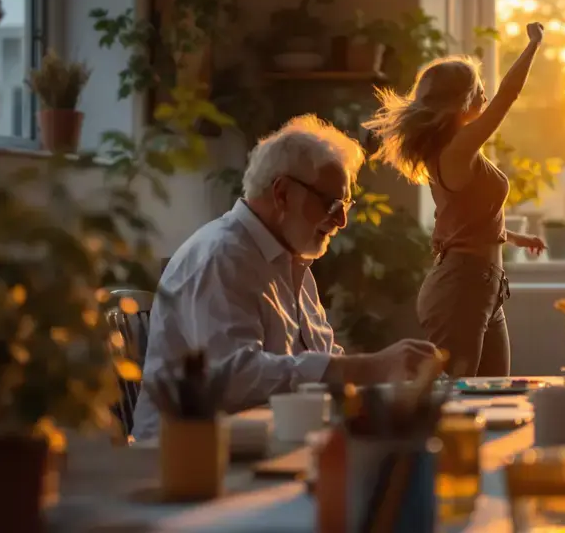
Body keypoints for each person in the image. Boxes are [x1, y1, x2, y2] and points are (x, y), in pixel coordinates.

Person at [133, 115, 439, 440]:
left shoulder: (292, 261)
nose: (343, 220)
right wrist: (368, 367)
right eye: (332, 203)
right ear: (282, 194)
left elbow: (322, 363)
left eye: (346, 204)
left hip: (254, 443)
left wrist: (385, 383)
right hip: (182, 458)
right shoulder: (221, 256)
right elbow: (234, 378)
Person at [364, 24, 546, 378]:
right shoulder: (456, 149)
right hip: (462, 287)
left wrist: (517, 239)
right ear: (463, 100)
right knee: (455, 397)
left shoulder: (459, 152)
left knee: (493, 396)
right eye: (479, 89)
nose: (486, 95)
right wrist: (533, 45)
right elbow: (508, 95)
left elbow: (467, 220)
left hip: (485, 287)